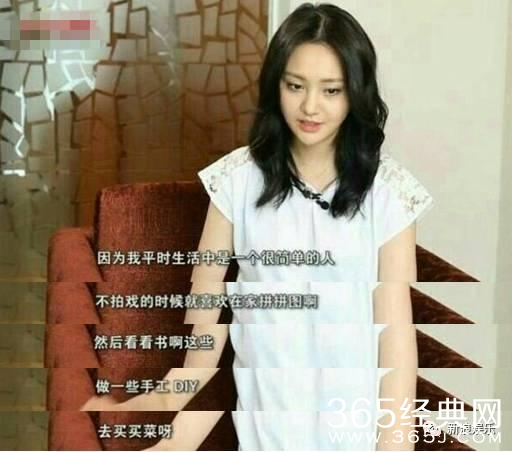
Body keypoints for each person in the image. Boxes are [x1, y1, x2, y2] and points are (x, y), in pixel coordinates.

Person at [81, 2, 433, 450]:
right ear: (275, 84)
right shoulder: (235, 181)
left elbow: (396, 335)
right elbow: (206, 302)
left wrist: (395, 444)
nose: (310, 106)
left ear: (356, 93)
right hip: (268, 424)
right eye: (295, 86)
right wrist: (174, 415)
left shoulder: (390, 193)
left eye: (331, 90)